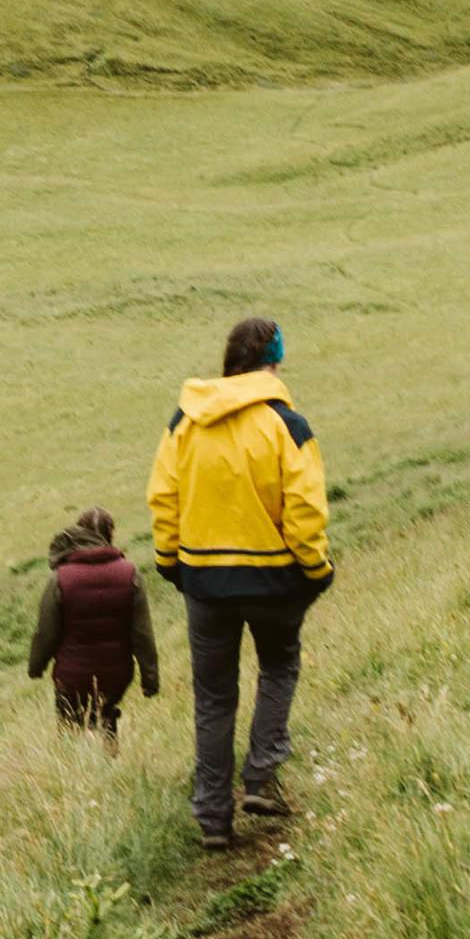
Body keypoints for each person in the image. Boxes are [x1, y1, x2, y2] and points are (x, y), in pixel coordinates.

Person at [147, 315, 330, 847]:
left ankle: (212, 817)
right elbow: (305, 509)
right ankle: (262, 776)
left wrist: (169, 561)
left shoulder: (185, 421)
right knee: (278, 665)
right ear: (274, 362)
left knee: (213, 696)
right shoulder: (287, 425)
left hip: (203, 579)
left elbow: (164, 496)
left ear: (229, 362)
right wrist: (315, 569)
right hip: (274, 578)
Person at [26, 505, 160, 746]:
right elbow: (142, 635)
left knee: (70, 733)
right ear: (111, 534)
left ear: (80, 533)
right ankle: (110, 761)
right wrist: (150, 679)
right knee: (106, 714)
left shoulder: (61, 578)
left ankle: (74, 773)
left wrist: (37, 666)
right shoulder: (131, 574)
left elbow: (46, 632)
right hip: (117, 676)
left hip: (71, 677)